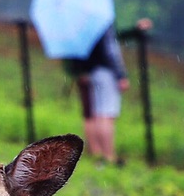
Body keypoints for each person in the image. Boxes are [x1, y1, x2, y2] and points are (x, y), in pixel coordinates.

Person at [65, 17, 152, 164]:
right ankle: (108, 155)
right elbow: (110, 49)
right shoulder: (101, 19)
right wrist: (121, 75)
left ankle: (98, 154)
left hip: (91, 72)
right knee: (105, 114)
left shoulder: (82, 22)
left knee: (94, 114)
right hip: (104, 72)